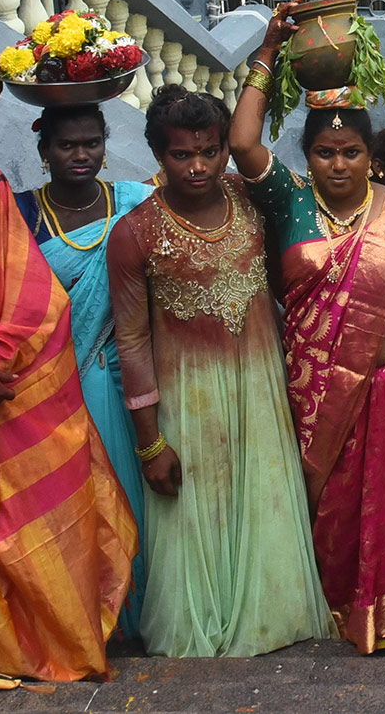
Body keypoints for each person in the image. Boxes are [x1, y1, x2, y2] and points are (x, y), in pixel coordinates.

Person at [229, 6, 385, 657]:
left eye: (352, 152)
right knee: (329, 507)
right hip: (312, 390)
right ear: (307, 157)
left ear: (374, 156)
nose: (338, 164)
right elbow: (244, 142)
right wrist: (269, 50)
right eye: (325, 152)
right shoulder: (289, 199)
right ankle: (332, 608)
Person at [0, 43, 136, 684]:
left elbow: (30, 304)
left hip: (8, 392)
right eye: (65, 143)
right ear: (44, 149)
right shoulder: (1, 193)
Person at [107, 85, 330, 657]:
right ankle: (204, 624)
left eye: (210, 150)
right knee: (194, 513)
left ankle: (271, 616)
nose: (199, 165)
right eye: (182, 154)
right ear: (158, 154)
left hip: (260, 387)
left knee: (265, 503)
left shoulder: (252, 201)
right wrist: (150, 442)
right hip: (187, 400)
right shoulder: (134, 234)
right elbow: (131, 340)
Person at [12, 105, 152, 640]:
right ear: (44, 149)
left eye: (92, 143)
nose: (81, 155)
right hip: (42, 385)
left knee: (122, 497)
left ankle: (125, 622)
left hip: (117, 381)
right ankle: (71, 621)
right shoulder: (22, 213)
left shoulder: (134, 205)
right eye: (67, 145)